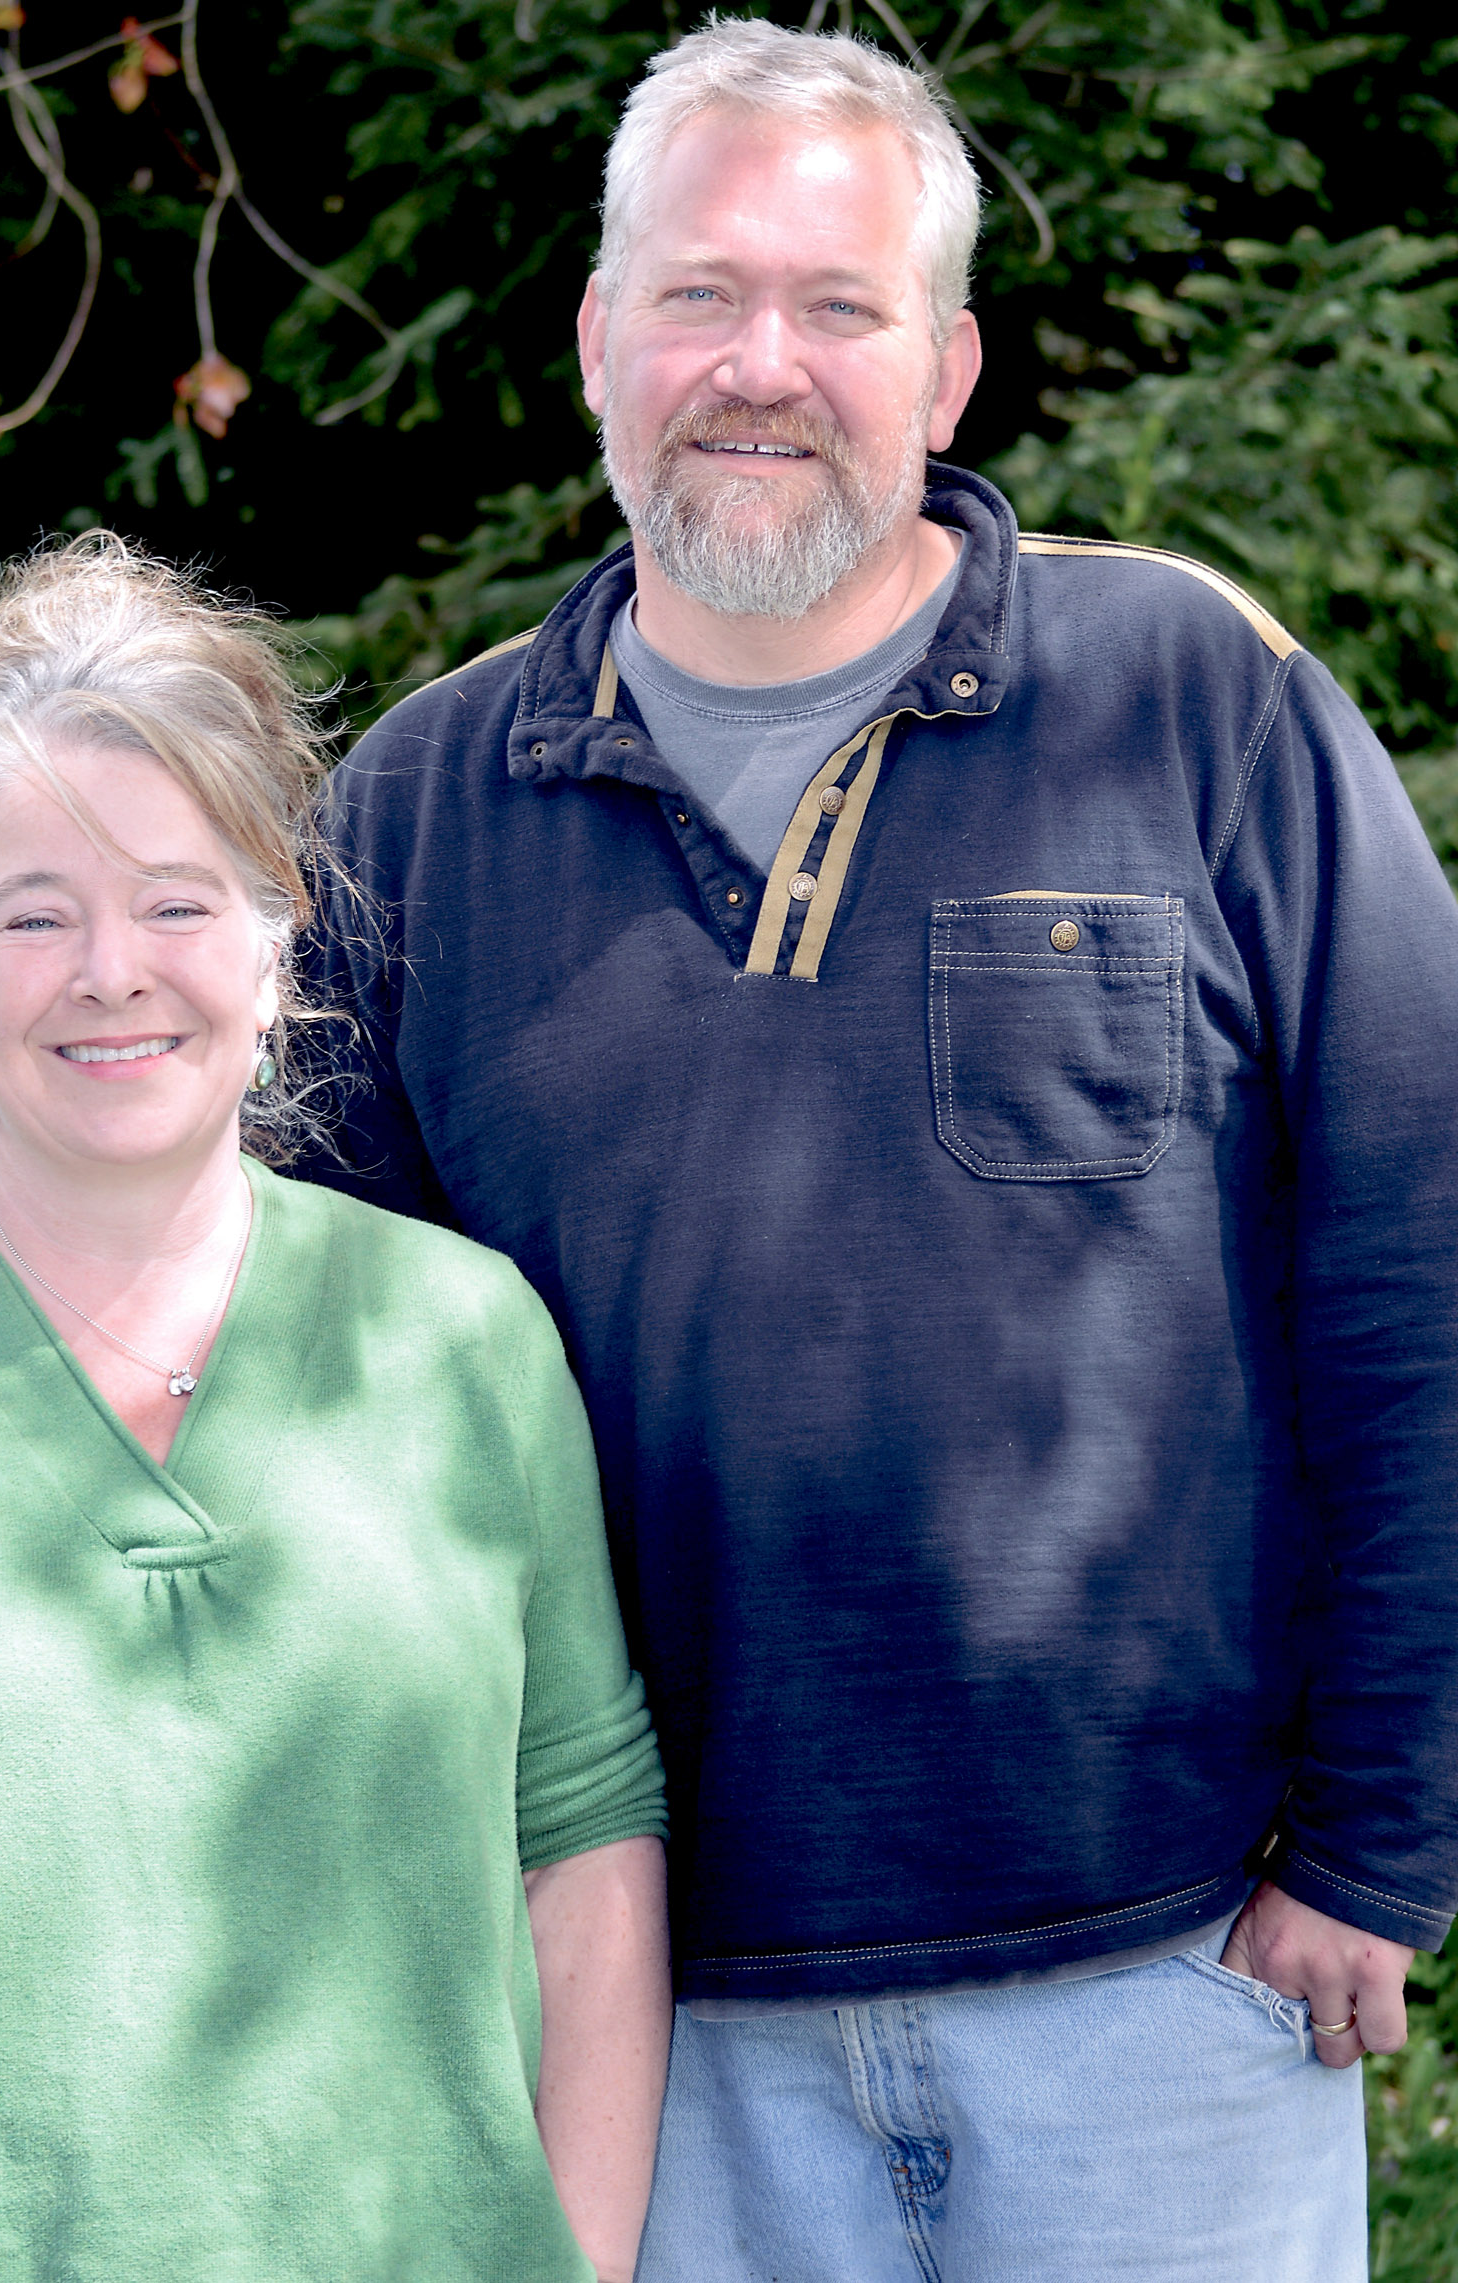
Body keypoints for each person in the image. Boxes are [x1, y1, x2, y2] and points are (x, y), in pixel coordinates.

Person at [303, 19, 1458, 2280]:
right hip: (643, 2014)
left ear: (947, 368)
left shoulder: (1200, 702)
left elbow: (1417, 1277)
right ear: (597, 342)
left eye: (839, 307)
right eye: (701, 295)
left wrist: (1377, 1845)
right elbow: (318, 1425)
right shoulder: (418, 815)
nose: (762, 363)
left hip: (1167, 1987)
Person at [0, 535, 670, 2283]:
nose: (111, 970)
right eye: (34, 913)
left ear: (280, 952)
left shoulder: (465, 1342)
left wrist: (571, 2263)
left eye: (178, 902)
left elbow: (585, 1846)